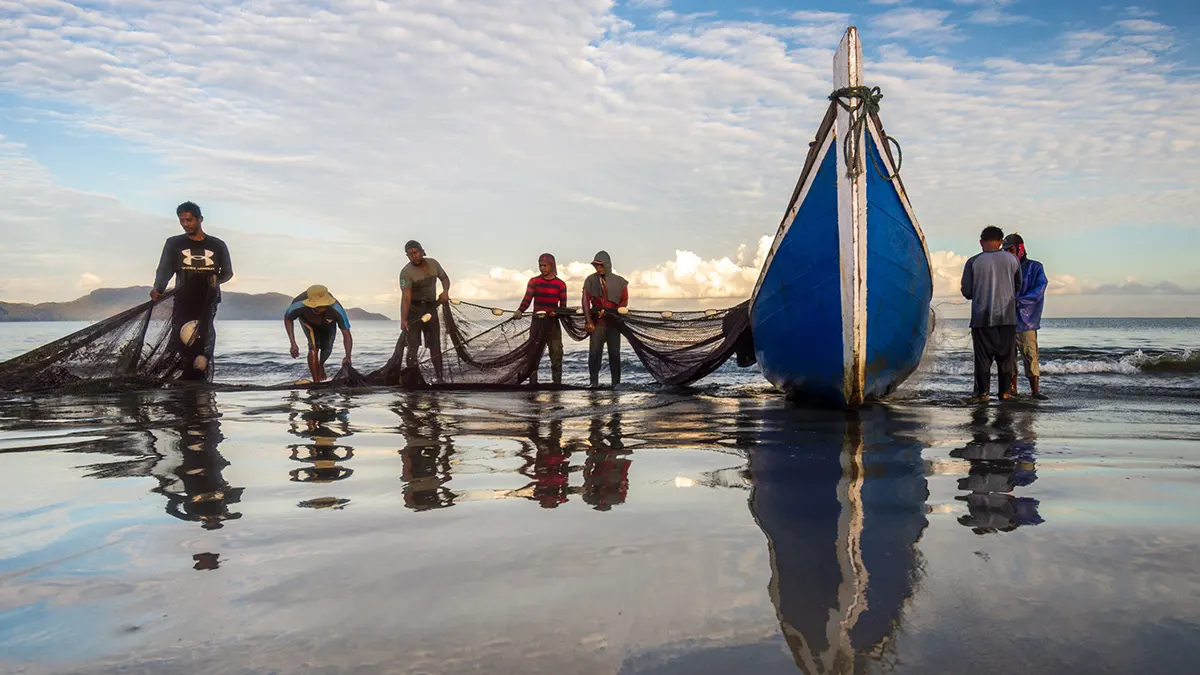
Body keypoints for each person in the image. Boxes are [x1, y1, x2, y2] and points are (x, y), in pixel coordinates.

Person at [151, 201, 233, 380]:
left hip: (208, 299)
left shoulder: (217, 245)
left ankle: (201, 368)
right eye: (182, 221)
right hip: (184, 297)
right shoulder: (174, 243)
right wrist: (158, 288)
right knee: (180, 336)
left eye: (189, 220)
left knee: (204, 333)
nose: (186, 224)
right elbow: (165, 269)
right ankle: (186, 372)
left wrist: (216, 280)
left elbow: (228, 272)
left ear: (200, 219)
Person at [960, 226, 1021, 403]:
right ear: (1001, 241)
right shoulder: (1012, 260)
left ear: (981, 242)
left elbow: (967, 292)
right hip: (1007, 318)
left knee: (983, 359)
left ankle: (983, 394)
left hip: (982, 319)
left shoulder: (973, 262)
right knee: (1006, 358)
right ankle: (1005, 393)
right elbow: (1018, 286)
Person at [1003, 234, 1049, 400]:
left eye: (1011, 249)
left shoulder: (1035, 267)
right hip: (1006, 319)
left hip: (1027, 321)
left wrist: (1019, 301)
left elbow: (1039, 289)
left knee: (1030, 355)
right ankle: (1012, 389)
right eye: (1006, 250)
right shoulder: (1006, 268)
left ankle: (1035, 391)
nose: (1009, 253)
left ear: (1020, 248)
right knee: (1009, 357)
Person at [399, 240, 451, 382]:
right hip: (413, 311)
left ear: (422, 251)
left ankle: (440, 378)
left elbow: (445, 278)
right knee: (413, 346)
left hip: (431, 308)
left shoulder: (433, 264)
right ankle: (413, 378)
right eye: (410, 254)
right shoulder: (406, 273)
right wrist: (403, 319)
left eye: (415, 252)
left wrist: (445, 291)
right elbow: (406, 298)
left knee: (435, 344)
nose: (413, 256)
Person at [515, 253, 568, 385]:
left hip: (553, 324)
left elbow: (563, 307)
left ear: (552, 266)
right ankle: (533, 383)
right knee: (533, 353)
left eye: (545, 265)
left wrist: (556, 313)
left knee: (556, 352)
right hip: (537, 322)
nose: (542, 268)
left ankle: (557, 384)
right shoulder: (534, 282)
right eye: (540, 265)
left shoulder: (560, 284)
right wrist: (520, 310)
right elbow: (527, 300)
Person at [283, 284, 353, 383]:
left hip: (328, 324)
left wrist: (348, 356)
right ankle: (316, 381)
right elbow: (288, 318)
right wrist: (293, 343)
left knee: (327, 349)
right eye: (319, 306)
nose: (322, 307)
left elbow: (346, 333)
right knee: (313, 348)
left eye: (324, 305)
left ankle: (321, 365)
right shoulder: (298, 305)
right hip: (308, 322)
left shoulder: (336, 309)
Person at [582, 250, 629, 388]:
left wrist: (611, 312)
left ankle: (616, 384)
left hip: (614, 324)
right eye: (596, 266)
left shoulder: (620, 282)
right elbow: (585, 300)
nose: (598, 268)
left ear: (607, 265)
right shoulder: (590, 280)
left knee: (614, 354)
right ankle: (593, 383)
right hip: (597, 324)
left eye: (601, 265)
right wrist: (589, 320)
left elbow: (624, 301)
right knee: (594, 354)